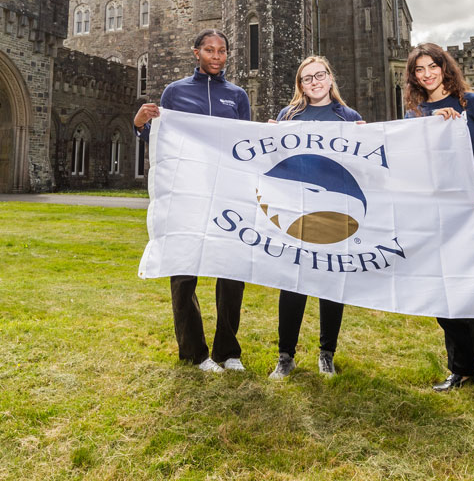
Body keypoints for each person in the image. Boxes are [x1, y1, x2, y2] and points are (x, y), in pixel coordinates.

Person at [403, 42, 474, 430]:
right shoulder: (415, 112)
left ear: (444, 67)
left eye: (432, 66)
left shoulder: (473, 103)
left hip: (470, 205)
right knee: (443, 294)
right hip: (432, 207)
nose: (426, 74)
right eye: (419, 70)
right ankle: (461, 369)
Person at [134, 29, 251, 373]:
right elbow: (160, 137)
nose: (216, 56)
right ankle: (194, 353)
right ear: (196, 52)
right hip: (186, 193)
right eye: (209, 50)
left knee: (231, 269)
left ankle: (228, 351)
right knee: (183, 271)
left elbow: (246, 144)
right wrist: (140, 125)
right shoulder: (175, 91)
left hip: (226, 193)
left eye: (222, 51)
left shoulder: (238, 96)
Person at [267, 55, 364, 380]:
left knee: (331, 283)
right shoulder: (289, 115)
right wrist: (268, 139)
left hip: (335, 209)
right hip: (296, 210)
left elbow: (364, 167)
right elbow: (276, 162)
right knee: (292, 285)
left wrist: (368, 137)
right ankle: (285, 356)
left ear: (330, 77)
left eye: (319, 75)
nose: (314, 82)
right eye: (307, 78)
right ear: (300, 85)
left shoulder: (347, 117)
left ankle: (327, 354)